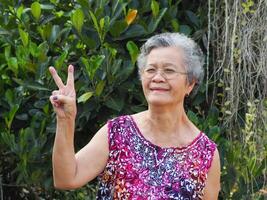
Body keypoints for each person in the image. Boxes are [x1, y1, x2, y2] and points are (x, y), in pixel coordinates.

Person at [49, 32, 221, 199]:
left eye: (169, 70)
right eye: (151, 70)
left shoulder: (205, 154)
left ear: (190, 83)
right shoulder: (118, 132)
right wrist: (65, 120)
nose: (158, 77)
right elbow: (66, 179)